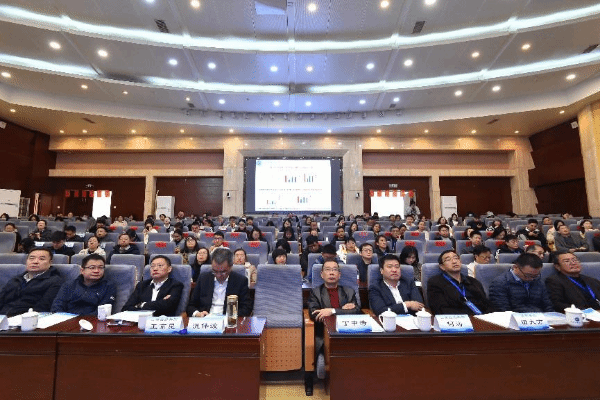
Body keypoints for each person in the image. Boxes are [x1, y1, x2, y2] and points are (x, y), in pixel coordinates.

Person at [308, 260, 360, 378]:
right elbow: (314, 314)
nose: (331, 273)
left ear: (339, 275)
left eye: (334, 270)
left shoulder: (349, 291)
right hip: (325, 333)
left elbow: (356, 311)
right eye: (328, 270)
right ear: (322, 274)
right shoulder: (316, 292)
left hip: (348, 332)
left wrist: (332, 311)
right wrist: (343, 310)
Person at [187, 248, 253, 317]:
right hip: (205, 319)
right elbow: (191, 305)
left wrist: (230, 316)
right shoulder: (203, 278)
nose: (218, 275)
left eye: (223, 272)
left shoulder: (240, 281)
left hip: (228, 319)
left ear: (231, 267)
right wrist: (197, 313)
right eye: (215, 271)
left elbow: (246, 308)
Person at [0, 248, 64, 315]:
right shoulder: (16, 279)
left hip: (27, 317)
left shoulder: (55, 282)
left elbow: (43, 308)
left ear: (50, 263)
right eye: (31, 258)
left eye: (41, 259)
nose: (35, 262)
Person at [427, 250, 490, 315]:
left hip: (482, 317)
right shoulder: (435, 283)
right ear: (442, 267)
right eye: (448, 260)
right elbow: (440, 309)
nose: (454, 261)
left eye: (456, 258)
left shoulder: (473, 282)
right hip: (457, 319)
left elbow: (486, 304)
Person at [51, 254, 116, 315]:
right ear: (82, 270)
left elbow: (102, 311)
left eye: (100, 268)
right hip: (67, 319)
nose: (96, 271)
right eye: (92, 268)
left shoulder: (109, 286)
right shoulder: (69, 285)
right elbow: (57, 305)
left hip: (92, 321)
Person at [488, 253, 553, 313]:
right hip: (514, 318)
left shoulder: (538, 281)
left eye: (535, 275)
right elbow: (503, 311)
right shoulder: (500, 283)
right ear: (515, 267)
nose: (531, 279)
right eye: (528, 275)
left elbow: (547, 305)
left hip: (539, 317)